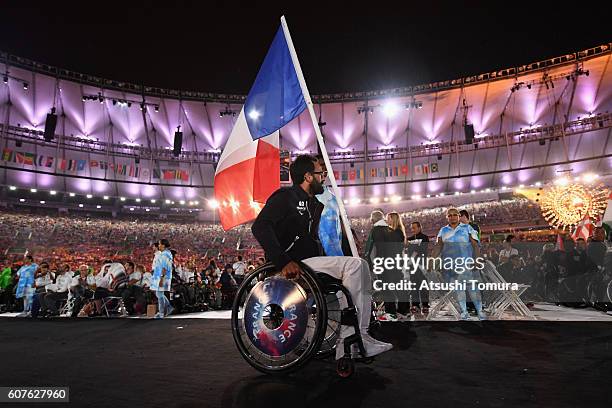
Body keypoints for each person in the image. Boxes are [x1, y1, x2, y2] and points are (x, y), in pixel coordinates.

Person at [252, 154, 392, 360]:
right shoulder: (285, 197)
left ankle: (356, 338)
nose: (324, 177)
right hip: (292, 265)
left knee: (356, 275)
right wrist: (283, 261)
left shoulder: (314, 205)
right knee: (355, 266)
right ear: (308, 177)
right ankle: (351, 341)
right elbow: (260, 226)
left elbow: (314, 242)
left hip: (310, 264)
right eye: (320, 173)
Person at [433, 208, 486, 320]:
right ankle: (464, 311)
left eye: (454, 215)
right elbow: (438, 246)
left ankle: (480, 311)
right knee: (459, 289)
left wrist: (477, 259)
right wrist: (432, 259)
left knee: (473, 289)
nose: (452, 217)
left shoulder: (467, 228)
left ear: (458, 216)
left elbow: (475, 245)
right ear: (447, 217)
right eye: (449, 215)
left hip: (467, 263)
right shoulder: (443, 230)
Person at [380, 211, 409, 321]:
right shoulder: (398, 232)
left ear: (394, 219)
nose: (387, 220)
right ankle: (403, 310)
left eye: (389, 218)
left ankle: (395, 312)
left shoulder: (396, 232)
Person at [406, 221, 430, 315]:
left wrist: (414, 252)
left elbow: (421, 250)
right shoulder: (410, 239)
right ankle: (415, 305)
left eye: (415, 227)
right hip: (412, 266)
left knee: (423, 285)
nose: (413, 230)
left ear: (420, 227)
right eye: (412, 228)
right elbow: (408, 251)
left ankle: (425, 305)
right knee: (414, 285)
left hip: (421, 265)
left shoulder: (424, 237)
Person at [151, 239, 173, 318]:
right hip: (162, 276)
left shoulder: (164, 254)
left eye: (159, 244)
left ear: (163, 245)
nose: (158, 245)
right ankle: (169, 307)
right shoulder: (167, 253)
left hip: (162, 277)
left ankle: (161, 313)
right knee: (159, 294)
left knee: (159, 295)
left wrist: (161, 278)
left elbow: (164, 268)